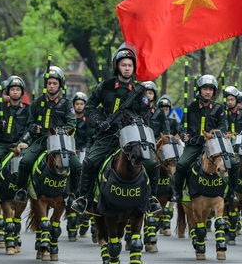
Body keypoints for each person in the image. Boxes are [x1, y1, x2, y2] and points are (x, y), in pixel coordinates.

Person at [72, 43, 161, 213]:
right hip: (107, 136)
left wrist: (133, 121)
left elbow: (145, 116)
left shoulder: (140, 91)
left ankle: (151, 199)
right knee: (89, 162)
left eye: (130, 65)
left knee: (152, 164)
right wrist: (100, 122)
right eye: (123, 65)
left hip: (132, 139)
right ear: (116, 66)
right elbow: (89, 108)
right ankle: (83, 198)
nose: (127, 68)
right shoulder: (104, 86)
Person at [169, 74, 239, 204]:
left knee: (234, 163)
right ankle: (177, 192)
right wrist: (184, 134)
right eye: (205, 89)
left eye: (211, 89)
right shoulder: (190, 107)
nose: (208, 92)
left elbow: (223, 126)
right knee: (182, 164)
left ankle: (231, 192)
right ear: (199, 90)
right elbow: (183, 126)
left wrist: (215, 134)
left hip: (214, 146)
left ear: (214, 91)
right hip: (195, 145)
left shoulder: (219, 108)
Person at [13, 66, 78, 203]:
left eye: (55, 83)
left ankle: (73, 194)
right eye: (49, 83)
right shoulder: (37, 103)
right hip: (41, 140)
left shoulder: (67, 104)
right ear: (46, 85)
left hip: (60, 143)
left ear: (60, 85)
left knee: (77, 166)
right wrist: (33, 128)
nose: (52, 86)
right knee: (25, 162)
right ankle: (21, 190)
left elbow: (72, 123)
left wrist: (60, 131)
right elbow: (29, 123)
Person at [0, 76, 30, 194]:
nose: (15, 92)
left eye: (17, 90)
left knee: (28, 164)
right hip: (1, 144)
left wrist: (21, 141)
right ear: (8, 92)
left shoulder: (27, 109)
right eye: (12, 90)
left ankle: (25, 190)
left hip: (19, 145)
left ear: (21, 92)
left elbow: (29, 128)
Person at [71, 92, 89, 162]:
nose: (79, 106)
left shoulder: (88, 120)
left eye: (81, 104)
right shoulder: (69, 119)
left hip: (83, 151)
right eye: (77, 104)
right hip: (70, 150)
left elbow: (89, 137)